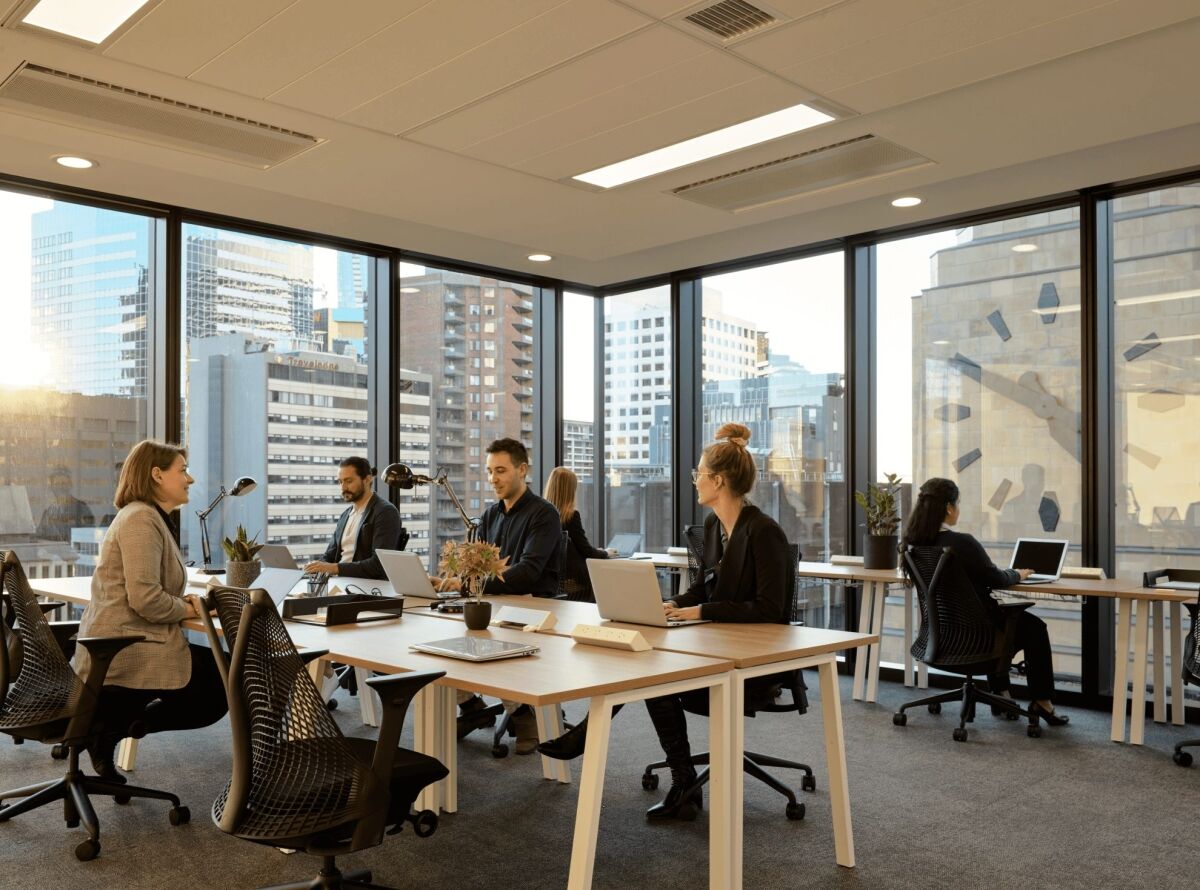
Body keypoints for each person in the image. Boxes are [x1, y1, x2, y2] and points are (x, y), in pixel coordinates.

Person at [539, 423, 796, 824]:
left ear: (719, 480)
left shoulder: (764, 532)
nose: (694, 481)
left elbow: (771, 608)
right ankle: (683, 781)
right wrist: (671, 604)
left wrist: (699, 613)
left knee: (652, 675)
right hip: (715, 642)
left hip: (756, 659)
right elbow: (703, 590)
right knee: (645, 664)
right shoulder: (714, 527)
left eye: (698, 473)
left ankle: (611, 747)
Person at [72, 440, 228, 782]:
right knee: (221, 685)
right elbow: (145, 599)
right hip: (128, 646)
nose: (190, 478)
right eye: (182, 470)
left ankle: (110, 727)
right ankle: (109, 728)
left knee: (219, 674)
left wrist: (186, 603)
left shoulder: (147, 517)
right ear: (157, 475)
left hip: (127, 639)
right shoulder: (141, 519)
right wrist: (189, 606)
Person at [900, 476, 1068, 727]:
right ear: (948, 507)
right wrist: (1018, 574)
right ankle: (1042, 703)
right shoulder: (961, 543)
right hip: (977, 640)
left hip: (940, 638)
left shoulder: (912, 545)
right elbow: (996, 578)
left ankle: (1001, 694)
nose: (958, 509)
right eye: (957, 503)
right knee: (1032, 627)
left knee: (996, 621)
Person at [431, 438, 562, 753]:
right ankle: (471, 705)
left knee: (489, 639)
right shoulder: (489, 516)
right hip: (495, 603)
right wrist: (453, 579)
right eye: (489, 472)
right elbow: (478, 567)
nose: (493, 479)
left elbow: (527, 573)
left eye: (500, 471)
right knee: (442, 639)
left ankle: (521, 712)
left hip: (532, 605)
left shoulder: (544, 514)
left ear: (522, 469)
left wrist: (469, 586)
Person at [303, 457, 402, 581]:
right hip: (339, 583)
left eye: (348, 481)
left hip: (365, 587)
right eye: (340, 482)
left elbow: (379, 564)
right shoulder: (345, 515)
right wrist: (314, 567)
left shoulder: (385, 512)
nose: (343, 487)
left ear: (367, 479)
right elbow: (329, 555)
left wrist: (333, 568)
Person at [543, 466, 608, 601]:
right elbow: (585, 550)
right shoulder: (571, 516)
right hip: (575, 583)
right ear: (570, 490)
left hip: (552, 583)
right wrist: (605, 553)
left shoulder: (541, 517)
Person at [36, 467, 94, 541]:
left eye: (64, 483)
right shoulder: (48, 512)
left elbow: (88, 536)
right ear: (52, 487)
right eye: (56, 484)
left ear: (70, 485)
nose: (60, 487)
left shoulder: (82, 509)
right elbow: (40, 537)